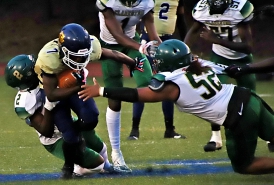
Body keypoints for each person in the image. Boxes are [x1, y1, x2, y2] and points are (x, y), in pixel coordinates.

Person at [78, 39, 274, 175]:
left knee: (243, 165)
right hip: (249, 98)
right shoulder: (198, 63)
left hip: (238, 115)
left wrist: (102, 91)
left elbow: (136, 94)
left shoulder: (172, 84)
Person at [33, 23, 145, 178]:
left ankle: (76, 133)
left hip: (75, 88)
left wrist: (132, 63)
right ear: (63, 51)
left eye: (82, 55)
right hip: (56, 95)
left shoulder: (88, 46)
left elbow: (110, 53)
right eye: (75, 55)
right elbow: (52, 94)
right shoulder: (49, 57)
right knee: (70, 136)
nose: (80, 59)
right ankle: (68, 166)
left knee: (91, 117)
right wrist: (78, 86)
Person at [4, 54, 115, 178]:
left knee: (94, 138)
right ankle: (77, 170)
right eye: (35, 68)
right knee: (97, 164)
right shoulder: (25, 101)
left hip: (68, 123)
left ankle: (109, 168)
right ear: (29, 76)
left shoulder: (50, 77)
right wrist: (49, 105)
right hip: (55, 139)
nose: (40, 68)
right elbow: (46, 131)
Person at [96, 0, 162, 172]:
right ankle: (116, 153)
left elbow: (153, 35)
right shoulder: (108, 2)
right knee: (114, 99)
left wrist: (162, 50)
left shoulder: (146, 2)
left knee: (148, 84)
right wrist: (142, 48)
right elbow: (117, 35)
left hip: (133, 44)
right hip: (110, 47)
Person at [184, 0, 256, 152]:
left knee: (252, 99)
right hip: (219, 57)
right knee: (214, 95)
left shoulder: (239, 9)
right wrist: (185, 52)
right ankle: (215, 138)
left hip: (242, 58)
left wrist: (216, 40)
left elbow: (248, 46)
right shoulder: (202, 9)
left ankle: (268, 136)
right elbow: (194, 30)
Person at [128, 0, 187, 140]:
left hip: (168, 41)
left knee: (167, 84)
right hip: (148, 41)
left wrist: (185, 44)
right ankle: (134, 130)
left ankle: (169, 130)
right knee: (143, 83)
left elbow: (181, 19)